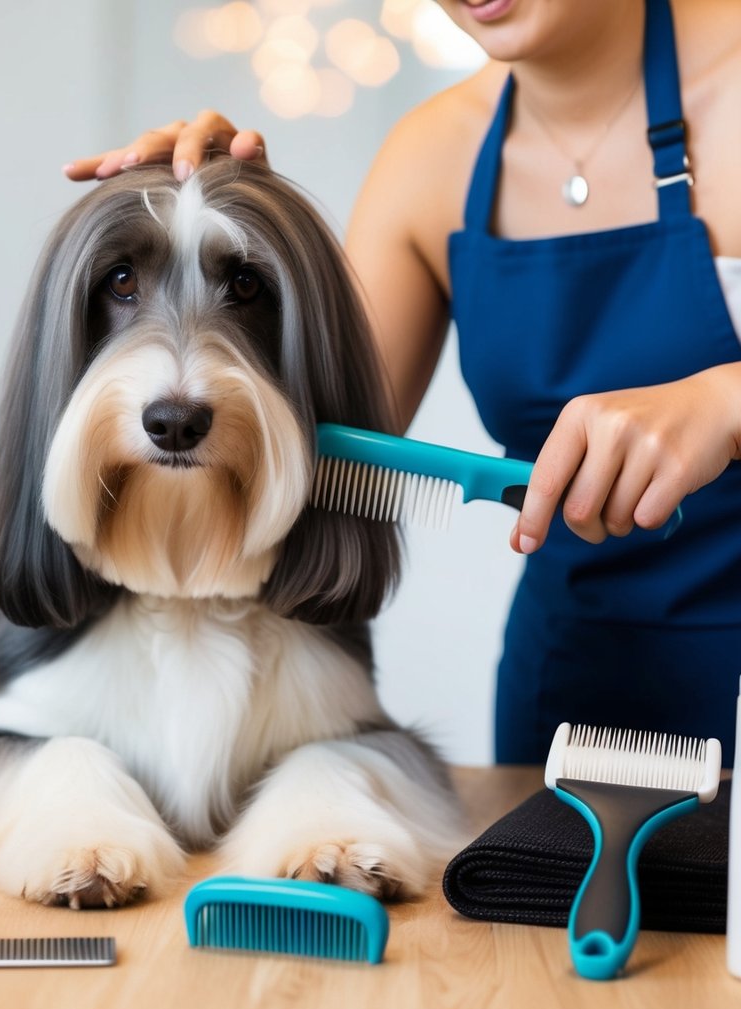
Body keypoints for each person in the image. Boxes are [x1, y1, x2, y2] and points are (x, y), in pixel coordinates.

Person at [63, 0, 741, 764]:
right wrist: (237, 237)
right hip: (577, 702)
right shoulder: (431, 157)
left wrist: (726, 399)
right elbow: (314, 456)